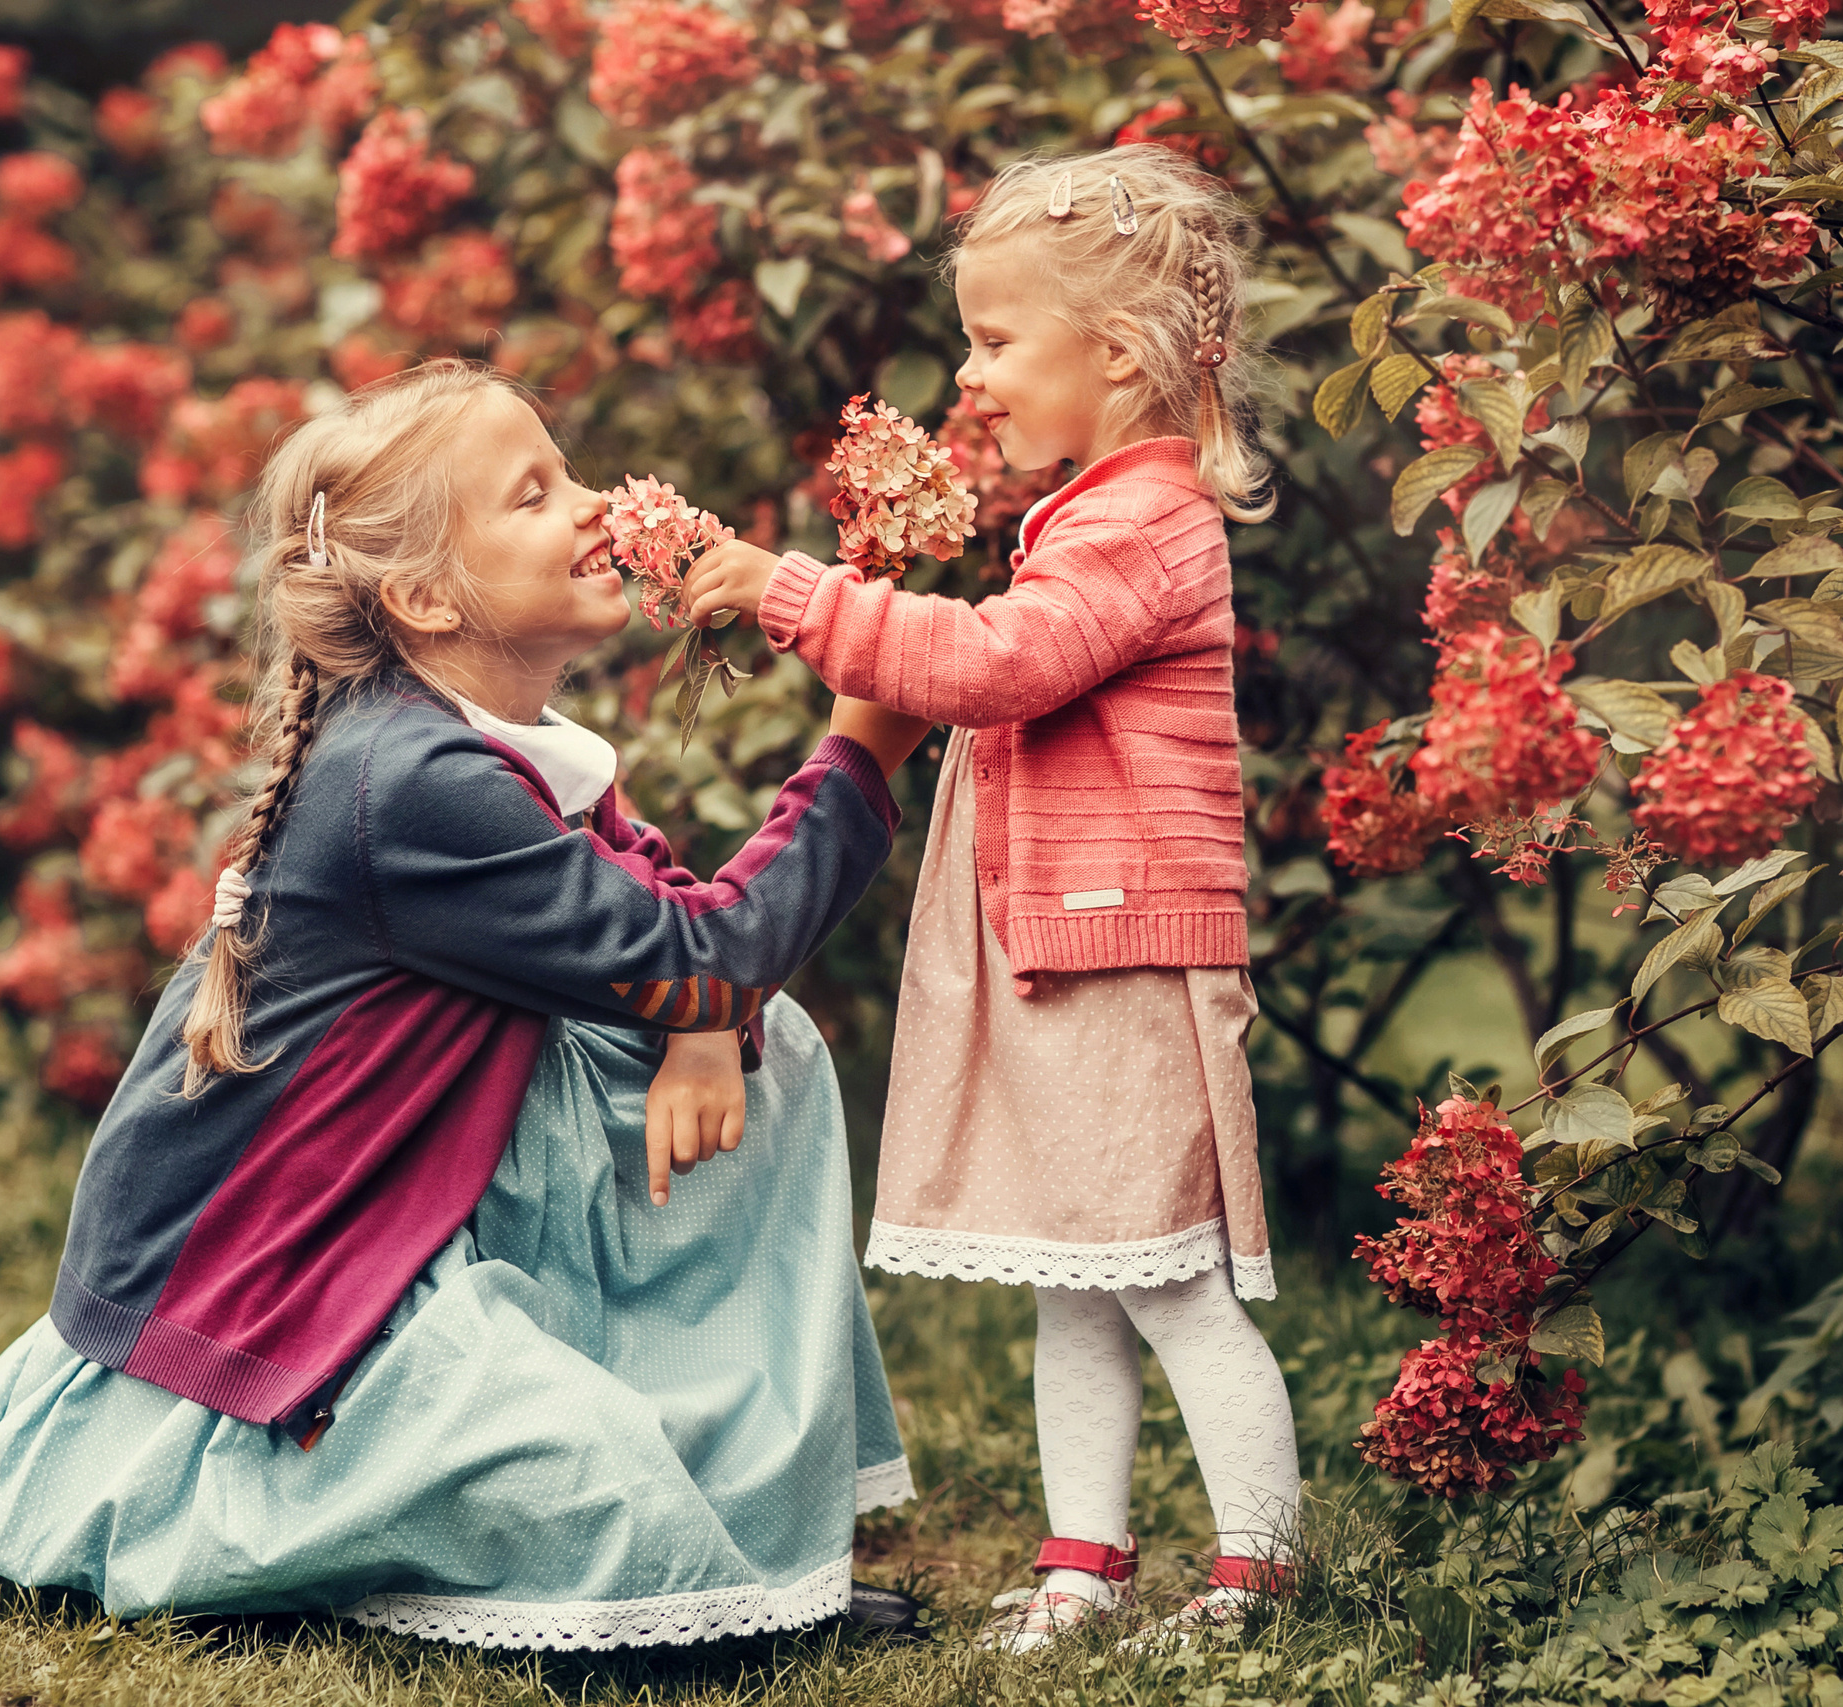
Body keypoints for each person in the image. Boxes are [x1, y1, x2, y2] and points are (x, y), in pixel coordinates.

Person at [0, 360, 935, 1651]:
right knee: (601, 1509)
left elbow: (671, 933)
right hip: (294, 1274)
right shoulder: (411, 780)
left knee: (766, 1039)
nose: (595, 503)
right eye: (533, 494)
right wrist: (860, 755)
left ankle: (690, 1459)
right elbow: (704, 950)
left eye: (570, 471)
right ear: (428, 599)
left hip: (400, 1201)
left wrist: (707, 1017)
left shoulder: (480, 740)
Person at [685, 145, 1300, 1651]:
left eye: (997, 339)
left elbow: (997, 665)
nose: (971, 374)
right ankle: (1084, 1564)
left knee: (1167, 1281)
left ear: (1119, 353)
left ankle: (1262, 1570)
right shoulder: (1092, 514)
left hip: (1125, 955)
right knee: (1076, 1279)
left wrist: (792, 593)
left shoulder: (1142, 526)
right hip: (1072, 943)